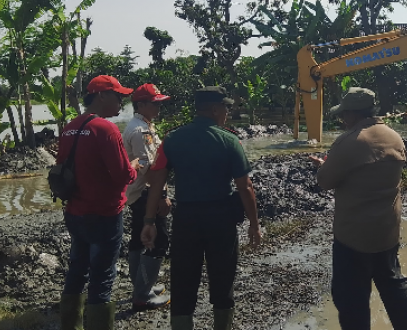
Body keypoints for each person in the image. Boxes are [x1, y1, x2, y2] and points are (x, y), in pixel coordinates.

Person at [141, 86, 262, 330]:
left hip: (186, 219)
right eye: (226, 107)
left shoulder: (172, 139)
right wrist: (254, 224)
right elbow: (245, 187)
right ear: (215, 109)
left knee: (184, 280)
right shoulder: (229, 140)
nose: (228, 112)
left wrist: (149, 221)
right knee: (222, 279)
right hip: (221, 220)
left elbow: (157, 181)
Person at [311, 87, 407, 330]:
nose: (342, 120)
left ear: (352, 114)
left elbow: (325, 181)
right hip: (386, 231)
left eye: (344, 115)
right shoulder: (394, 137)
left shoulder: (351, 140)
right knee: (394, 284)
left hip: (353, 237)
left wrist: (324, 165)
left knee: (351, 297)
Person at [58, 75, 139, 330]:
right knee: (103, 276)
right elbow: (123, 175)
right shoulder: (106, 129)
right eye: (118, 96)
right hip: (103, 213)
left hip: (75, 211)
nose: (122, 102)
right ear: (102, 96)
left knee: (77, 268)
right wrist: (135, 166)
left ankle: (68, 324)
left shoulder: (70, 127)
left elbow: (64, 167)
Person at [122, 84, 172, 311]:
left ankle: (142, 286)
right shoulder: (141, 131)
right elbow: (150, 170)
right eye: (155, 103)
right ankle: (142, 294)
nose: (159, 106)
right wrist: (161, 197)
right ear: (141, 105)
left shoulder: (140, 126)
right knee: (158, 240)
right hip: (145, 194)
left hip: (136, 192)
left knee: (137, 239)